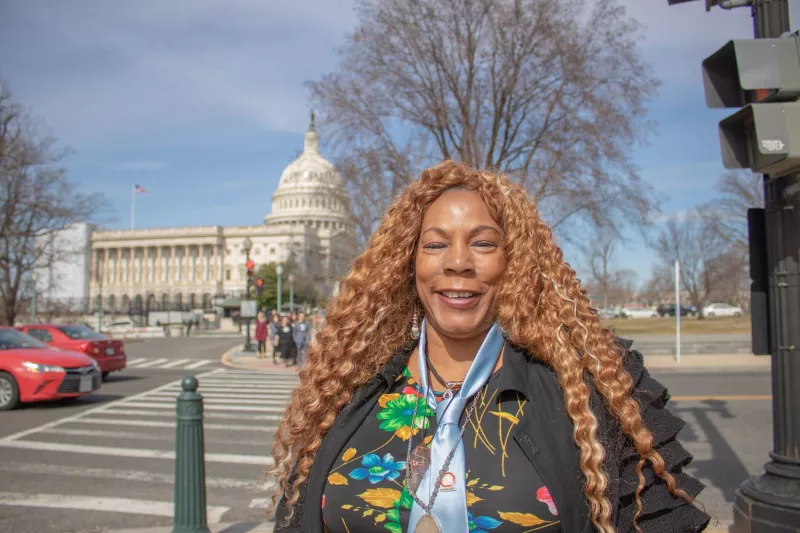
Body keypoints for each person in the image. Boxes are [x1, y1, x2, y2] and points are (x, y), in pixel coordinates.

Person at [269, 162, 710, 533]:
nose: (458, 262)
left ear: (512, 261)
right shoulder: (350, 390)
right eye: (436, 244)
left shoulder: (591, 387)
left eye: (482, 243)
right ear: (409, 263)